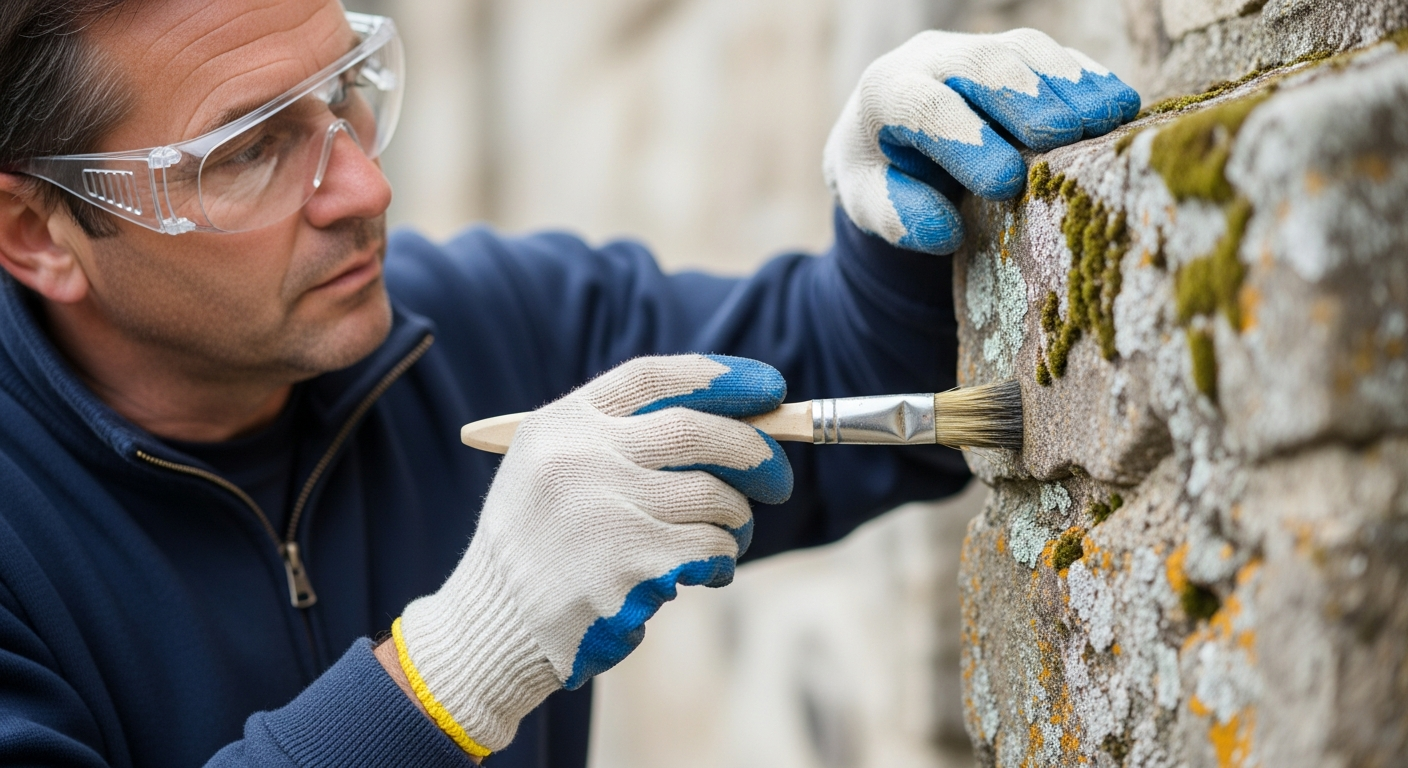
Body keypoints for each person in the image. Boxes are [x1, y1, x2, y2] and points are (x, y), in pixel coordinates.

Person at [0, 0, 1139, 765]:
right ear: (36, 230)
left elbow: (860, 384)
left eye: (345, 93)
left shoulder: (481, 328)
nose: (360, 188)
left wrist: (907, 211)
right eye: (251, 148)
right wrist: (453, 670)